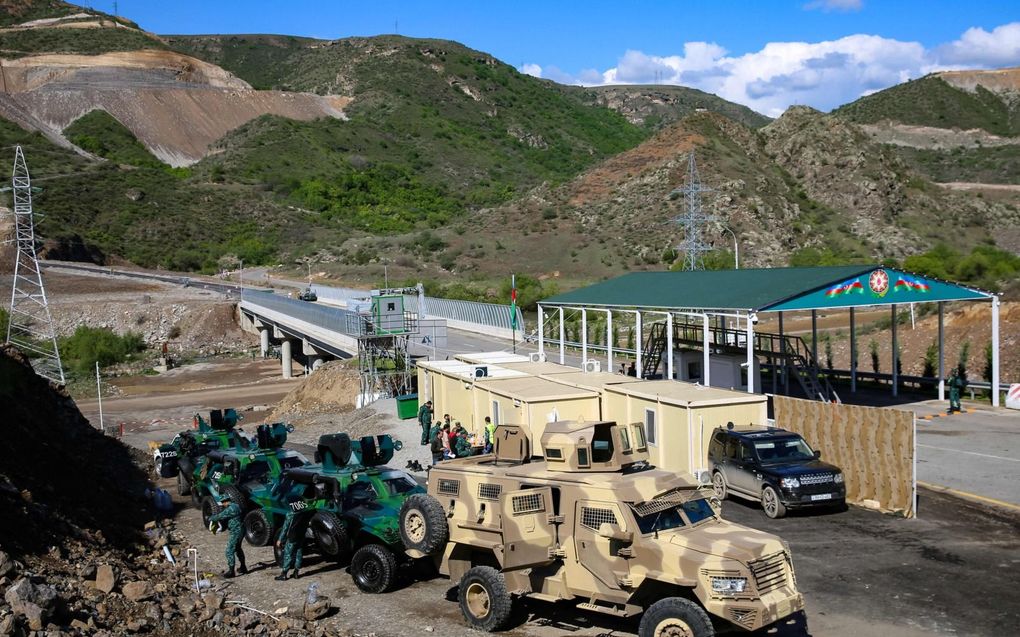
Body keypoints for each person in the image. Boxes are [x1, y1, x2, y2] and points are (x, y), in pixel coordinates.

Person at [275, 496, 318, 581]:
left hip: (292, 537)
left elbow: (285, 528)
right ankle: (296, 573)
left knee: (288, 554)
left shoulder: (290, 514)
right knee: (299, 553)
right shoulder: (305, 512)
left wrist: (280, 539)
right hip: (301, 535)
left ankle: (284, 574)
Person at [208, 494, 247, 578]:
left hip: (236, 531)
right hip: (240, 530)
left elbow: (219, 516)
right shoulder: (236, 505)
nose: (223, 504)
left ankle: (231, 571)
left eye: (223, 502)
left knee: (229, 551)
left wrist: (210, 518)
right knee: (237, 548)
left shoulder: (230, 509)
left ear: (225, 501)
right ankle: (243, 567)